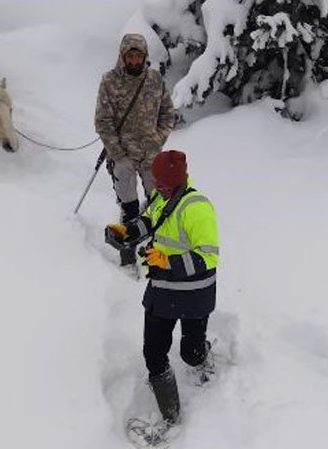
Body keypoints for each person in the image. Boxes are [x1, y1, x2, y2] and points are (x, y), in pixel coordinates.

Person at [117, 149, 219, 425]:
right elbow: (151, 220)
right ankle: (171, 416)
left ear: (179, 181)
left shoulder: (197, 207)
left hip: (194, 293)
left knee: (191, 354)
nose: (159, 189)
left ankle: (203, 355)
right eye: (157, 183)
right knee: (154, 352)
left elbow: (208, 257)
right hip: (162, 290)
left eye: (164, 185)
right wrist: (127, 232)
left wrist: (168, 263)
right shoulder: (160, 197)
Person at [94, 33, 176, 225]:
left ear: (144, 56)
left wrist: (158, 139)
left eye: (138, 56)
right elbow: (102, 121)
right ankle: (128, 238)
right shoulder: (110, 81)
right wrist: (118, 153)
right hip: (123, 155)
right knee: (128, 203)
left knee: (157, 202)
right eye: (130, 56)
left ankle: (153, 237)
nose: (134, 60)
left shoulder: (155, 79)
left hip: (151, 154)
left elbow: (168, 113)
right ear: (122, 56)